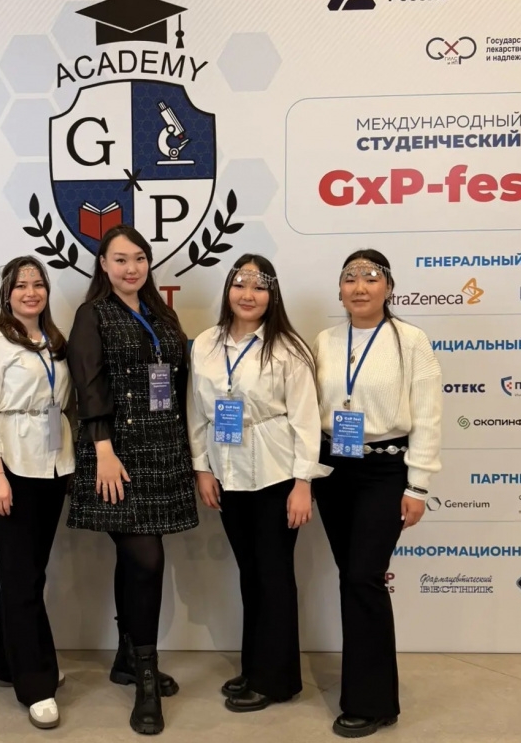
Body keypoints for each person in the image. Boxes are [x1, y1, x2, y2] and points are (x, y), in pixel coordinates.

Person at [66, 224, 198, 735]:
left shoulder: (160, 313)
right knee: (146, 559)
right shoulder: (92, 314)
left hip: (163, 449)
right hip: (116, 453)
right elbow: (88, 383)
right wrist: (102, 449)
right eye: (120, 259)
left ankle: (126, 659)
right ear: (103, 264)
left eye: (139, 258)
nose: (131, 268)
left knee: (135, 562)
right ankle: (145, 680)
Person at [188, 254, 329, 712]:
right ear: (228, 289)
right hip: (227, 471)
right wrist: (202, 467)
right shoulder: (205, 344)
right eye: (240, 284)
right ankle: (255, 667)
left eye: (259, 286)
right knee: (250, 574)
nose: (248, 295)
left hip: (276, 473)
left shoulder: (289, 348)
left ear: (273, 295)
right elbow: (196, 410)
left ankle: (278, 681)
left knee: (273, 575)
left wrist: (303, 482)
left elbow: (306, 420)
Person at [312, 249, 442, 738]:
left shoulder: (411, 341)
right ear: (339, 289)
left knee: (363, 576)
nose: (360, 286)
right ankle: (368, 687)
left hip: (386, 472)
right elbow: (309, 409)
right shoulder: (325, 341)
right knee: (352, 576)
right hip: (333, 471)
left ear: (389, 287)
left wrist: (418, 484)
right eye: (350, 277)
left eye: (371, 277)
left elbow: (428, 416)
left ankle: (373, 703)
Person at [0, 256, 74, 730]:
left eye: (38, 284)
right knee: (21, 578)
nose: (30, 292)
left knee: (29, 574)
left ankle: (11, 663)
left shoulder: (54, 340)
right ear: (6, 294)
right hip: (8, 469)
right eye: (20, 285)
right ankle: (36, 684)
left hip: (50, 467)